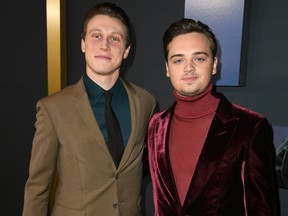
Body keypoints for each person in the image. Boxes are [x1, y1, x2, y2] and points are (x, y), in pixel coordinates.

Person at [23, 3, 156, 216]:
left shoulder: (146, 102)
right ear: (83, 43)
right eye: (96, 36)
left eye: (115, 38)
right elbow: (38, 188)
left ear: (126, 50)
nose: (105, 45)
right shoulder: (52, 108)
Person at [147, 18, 278, 215]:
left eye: (199, 58)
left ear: (214, 64)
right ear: (167, 68)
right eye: (178, 60)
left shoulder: (250, 127)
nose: (188, 67)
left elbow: (262, 210)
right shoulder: (156, 125)